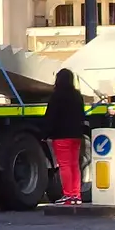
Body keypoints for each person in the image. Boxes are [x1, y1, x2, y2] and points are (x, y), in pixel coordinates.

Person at [45, 68, 89, 205]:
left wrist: (45, 133)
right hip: (76, 135)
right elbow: (82, 115)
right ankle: (76, 195)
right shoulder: (77, 95)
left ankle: (68, 195)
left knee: (64, 165)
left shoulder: (57, 96)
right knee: (74, 164)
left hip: (61, 135)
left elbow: (51, 116)